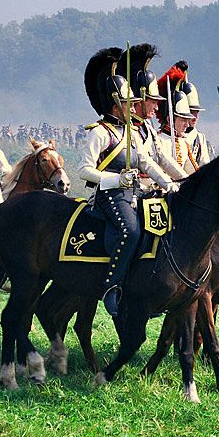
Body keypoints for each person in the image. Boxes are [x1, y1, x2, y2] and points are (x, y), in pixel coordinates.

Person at [77, 47, 180, 319]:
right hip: (109, 195)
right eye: (128, 103)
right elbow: (84, 170)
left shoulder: (130, 132)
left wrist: (168, 182)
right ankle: (111, 287)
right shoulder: (99, 132)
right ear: (115, 104)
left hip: (134, 193)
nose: (132, 107)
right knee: (130, 232)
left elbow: (147, 162)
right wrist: (116, 179)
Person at [119, 44, 188, 189]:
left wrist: (189, 181)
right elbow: (145, 162)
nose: (157, 107)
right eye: (153, 102)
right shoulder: (124, 129)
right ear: (141, 100)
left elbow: (164, 159)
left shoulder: (148, 128)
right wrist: (168, 184)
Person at [155, 65, 198, 174]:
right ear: (170, 119)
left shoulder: (184, 144)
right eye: (183, 120)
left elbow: (193, 173)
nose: (187, 125)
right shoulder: (158, 140)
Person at [174, 60, 211, 167]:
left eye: (197, 112)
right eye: (191, 113)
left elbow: (205, 164)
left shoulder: (199, 138)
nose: (195, 117)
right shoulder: (167, 137)